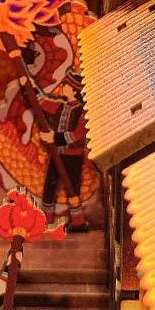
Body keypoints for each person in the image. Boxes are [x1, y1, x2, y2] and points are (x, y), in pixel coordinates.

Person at [34, 69, 89, 232]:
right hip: (57, 154)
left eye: (65, 85)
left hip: (73, 156)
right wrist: (29, 85)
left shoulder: (81, 112)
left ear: (74, 90)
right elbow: (43, 103)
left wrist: (54, 137)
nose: (62, 86)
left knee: (72, 188)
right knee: (49, 187)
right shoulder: (61, 106)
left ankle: (78, 221)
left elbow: (77, 135)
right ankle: (46, 219)